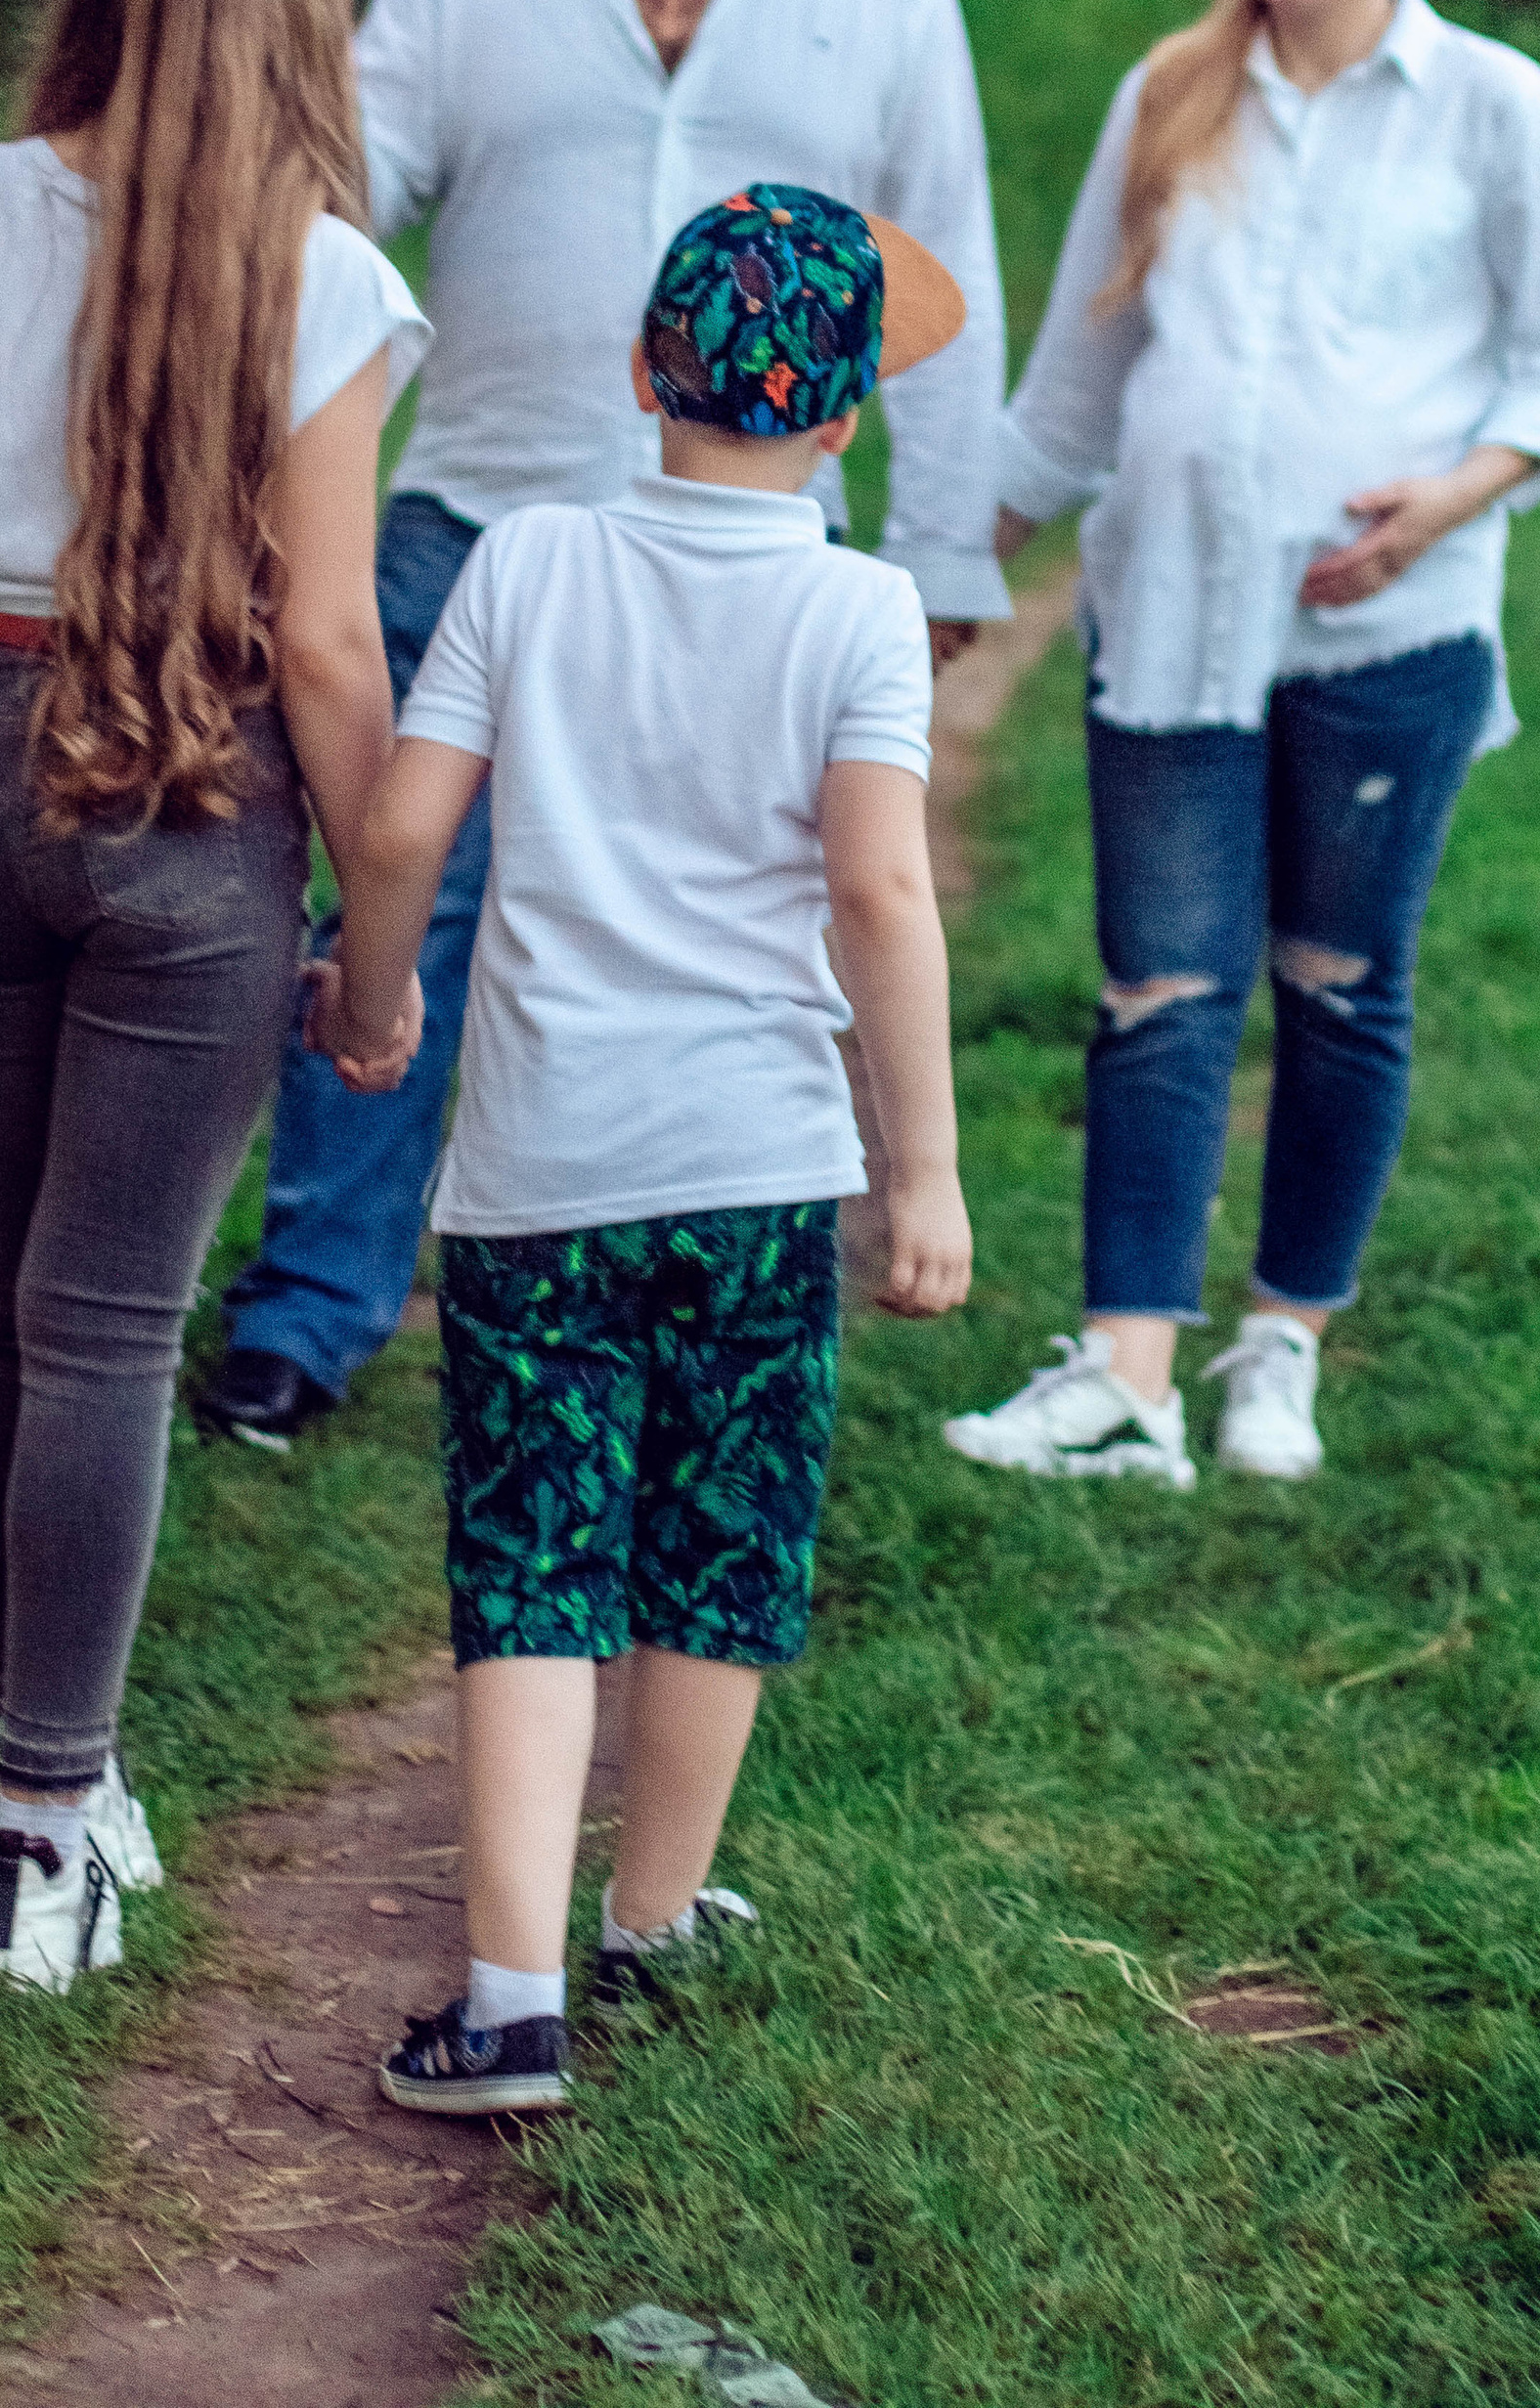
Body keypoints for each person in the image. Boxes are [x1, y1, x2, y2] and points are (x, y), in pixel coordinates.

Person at [197, 0, 1008, 1452]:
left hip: (767, 545)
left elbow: (944, 255)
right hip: (475, 507)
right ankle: (314, 1306)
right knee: (407, 884)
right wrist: (249, 457)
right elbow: (341, 207)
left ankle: (675, 1271)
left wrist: (947, 551)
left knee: (732, 904)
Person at [308, 186, 972, 2116]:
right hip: (759, 1166)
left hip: (544, 1170)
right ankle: (653, 1920)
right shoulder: (858, 610)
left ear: (635, 373)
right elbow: (879, 894)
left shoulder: (528, 560)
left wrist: (369, 1002)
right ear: (846, 418)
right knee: (717, 1547)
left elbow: (407, 831)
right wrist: (921, 1173)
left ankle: (508, 2002)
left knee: (533, 1558)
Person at [0, 0, 429, 1992]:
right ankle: (38, 1828)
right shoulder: (326, 276)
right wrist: (372, 949)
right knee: (107, 1324)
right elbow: (329, 647)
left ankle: (50, 1778)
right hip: (197, 775)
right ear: (302, 11)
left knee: (8, 1309)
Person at [942, 0, 1540, 1494]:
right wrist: (955, 567)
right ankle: (1126, 1379)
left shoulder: (1494, 106)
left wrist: (1451, 499)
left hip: (1391, 640)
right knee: (1160, 992)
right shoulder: (1169, 96)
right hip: (1173, 623)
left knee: (1339, 988)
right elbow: (1077, 381)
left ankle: (1281, 1350)